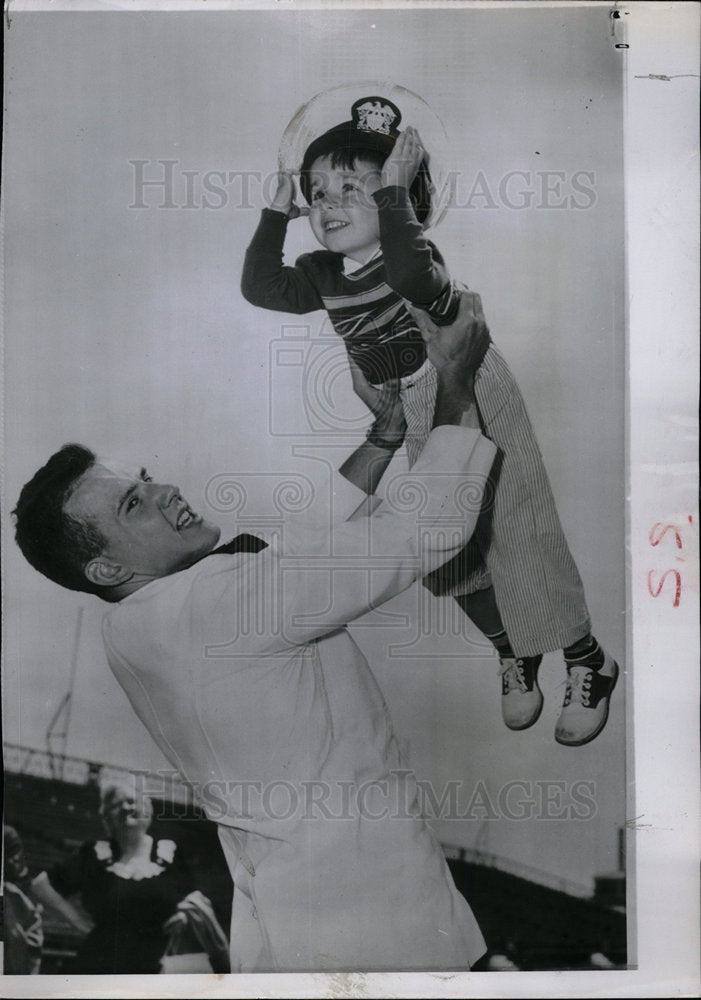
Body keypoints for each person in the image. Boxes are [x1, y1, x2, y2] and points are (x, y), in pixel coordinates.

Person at [14, 292, 493, 972]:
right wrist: (455, 382)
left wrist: (383, 438)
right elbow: (428, 527)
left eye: (143, 479)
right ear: (106, 563)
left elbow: (289, 560)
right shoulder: (214, 605)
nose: (164, 491)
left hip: (297, 921)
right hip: (378, 926)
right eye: (133, 503)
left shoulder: (131, 625)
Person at [241, 93, 618, 746]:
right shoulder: (321, 273)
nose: (327, 203)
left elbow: (415, 276)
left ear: (400, 198)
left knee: (514, 527)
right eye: (317, 192)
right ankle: (512, 648)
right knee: (443, 546)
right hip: (416, 407)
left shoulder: (412, 257)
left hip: (467, 380)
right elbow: (261, 288)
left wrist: (394, 200)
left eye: (352, 188)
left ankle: (586, 660)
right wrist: (275, 213)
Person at [29, 782, 215, 974]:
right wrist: (77, 921)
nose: (126, 808)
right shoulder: (94, 854)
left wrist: (183, 916)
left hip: (153, 968)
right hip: (98, 967)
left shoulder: (169, 853)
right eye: (116, 805)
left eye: (131, 801)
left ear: (147, 809)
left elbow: (194, 900)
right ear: (107, 816)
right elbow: (40, 885)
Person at [3, 825, 44, 974]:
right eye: (10, 851)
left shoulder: (19, 899)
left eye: (17, 850)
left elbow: (31, 957)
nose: (16, 858)